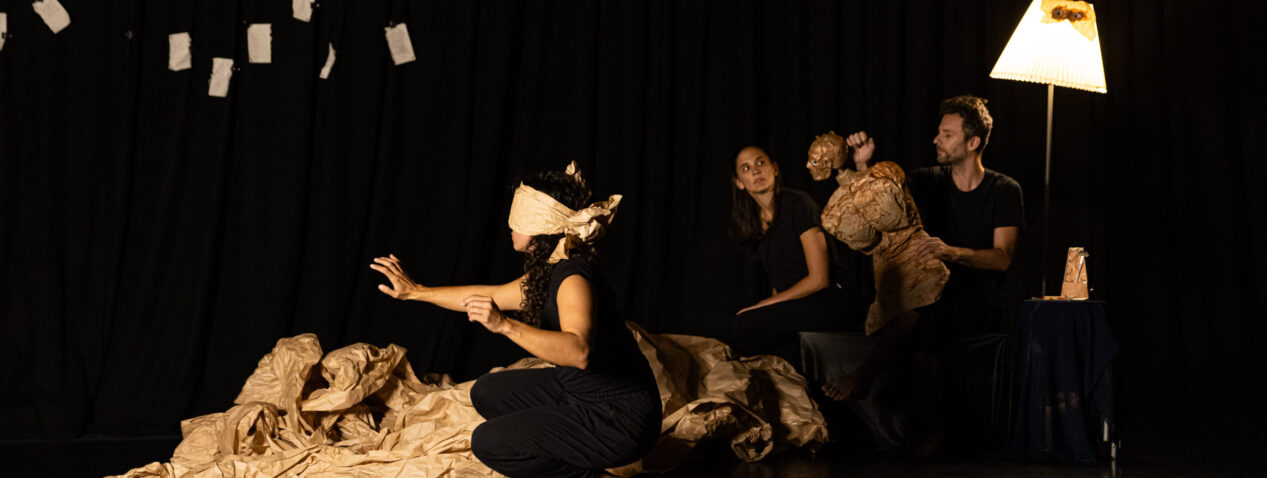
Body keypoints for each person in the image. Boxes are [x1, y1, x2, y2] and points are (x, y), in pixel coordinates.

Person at [370, 163, 660, 478]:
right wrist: (415, 292)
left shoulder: (573, 277)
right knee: (488, 391)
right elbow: (490, 294)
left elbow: (579, 351)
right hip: (578, 394)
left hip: (619, 419)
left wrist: (504, 325)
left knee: (489, 442)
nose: (510, 226)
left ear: (541, 225)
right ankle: (569, 439)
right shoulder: (550, 268)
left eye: (517, 219)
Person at [808, 131, 948, 407]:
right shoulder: (833, 210)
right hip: (888, 267)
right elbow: (868, 240)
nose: (808, 166)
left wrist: (864, 172)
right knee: (901, 321)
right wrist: (860, 175)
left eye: (814, 161)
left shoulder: (886, 174)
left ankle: (865, 375)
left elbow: (891, 218)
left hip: (918, 255)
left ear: (828, 161)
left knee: (914, 315)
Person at [725, 146, 868, 365]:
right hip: (802, 304)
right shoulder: (756, 225)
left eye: (761, 163)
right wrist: (769, 306)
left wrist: (763, 305)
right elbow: (779, 284)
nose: (755, 171)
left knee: (743, 324)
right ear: (740, 183)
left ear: (774, 169)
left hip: (831, 300)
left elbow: (819, 279)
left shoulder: (797, 204)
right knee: (767, 338)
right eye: (746, 168)